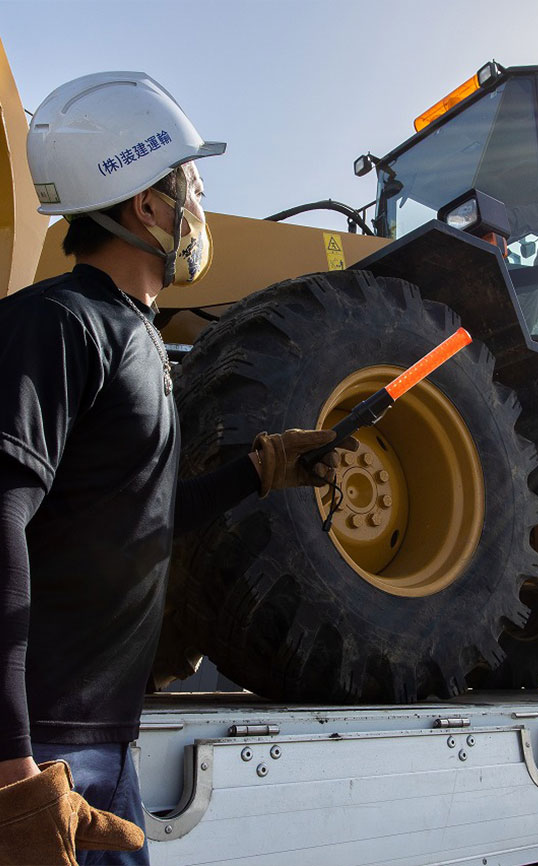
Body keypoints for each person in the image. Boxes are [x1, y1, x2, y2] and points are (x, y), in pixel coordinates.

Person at [0, 72, 352, 866]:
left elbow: (129, 523)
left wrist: (261, 472)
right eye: (187, 182)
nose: (198, 201)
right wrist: (14, 768)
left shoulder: (134, 343)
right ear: (145, 207)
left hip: (95, 741)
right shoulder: (58, 325)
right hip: (43, 754)